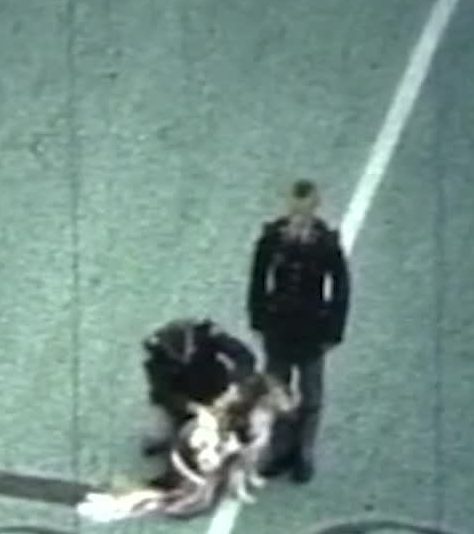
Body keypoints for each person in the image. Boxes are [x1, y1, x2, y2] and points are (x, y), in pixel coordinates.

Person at [246, 179, 349, 483]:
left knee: (311, 394)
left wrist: (334, 330)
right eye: (295, 208)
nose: (298, 215)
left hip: (311, 330)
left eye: (305, 209)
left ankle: (304, 452)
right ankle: (279, 447)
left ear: (314, 208)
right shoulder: (272, 239)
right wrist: (258, 319)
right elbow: (258, 280)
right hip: (279, 328)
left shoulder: (326, 244)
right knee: (276, 391)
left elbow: (340, 289)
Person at [138, 317, 258, 457]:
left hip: (216, 384)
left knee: (243, 417)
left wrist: (234, 385)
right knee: (184, 439)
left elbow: (245, 356)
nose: (185, 359)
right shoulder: (155, 353)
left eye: (188, 353)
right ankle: (168, 439)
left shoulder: (205, 332)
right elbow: (164, 392)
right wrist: (192, 408)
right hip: (183, 395)